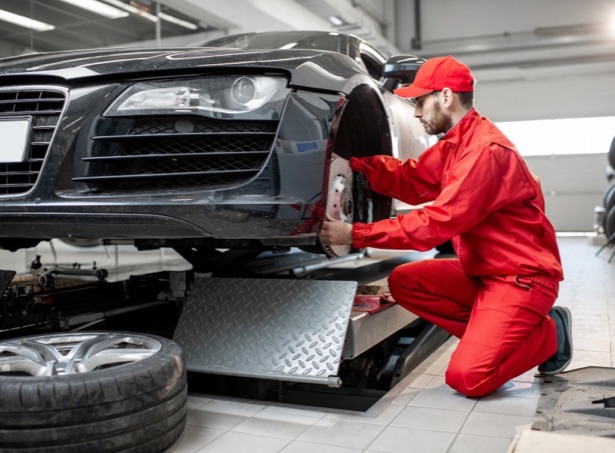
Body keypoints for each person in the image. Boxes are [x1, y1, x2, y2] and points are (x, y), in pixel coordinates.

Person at [319, 55, 572, 398]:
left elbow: (436, 224)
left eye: (420, 102)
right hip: (484, 273)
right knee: (405, 281)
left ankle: (549, 334)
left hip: (521, 278)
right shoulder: (456, 144)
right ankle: (495, 334)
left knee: (468, 378)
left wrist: (357, 234)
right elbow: (414, 180)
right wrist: (357, 164)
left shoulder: (485, 151)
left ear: (447, 97)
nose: (416, 113)